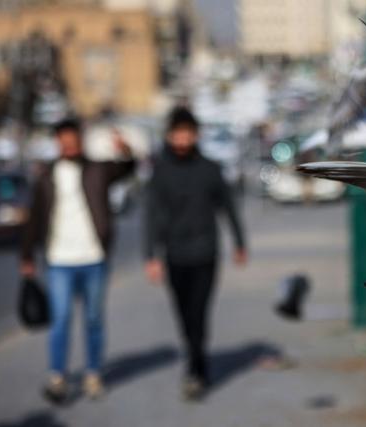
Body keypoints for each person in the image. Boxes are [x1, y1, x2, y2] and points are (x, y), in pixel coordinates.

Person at [20, 118, 135, 403]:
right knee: (60, 320)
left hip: (94, 257)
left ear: (80, 140)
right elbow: (34, 217)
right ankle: (57, 376)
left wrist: (126, 150)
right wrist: (26, 254)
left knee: (94, 319)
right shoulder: (46, 175)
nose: (68, 142)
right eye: (63, 138)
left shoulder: (99, 169)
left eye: (72, 137)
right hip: (59, 259)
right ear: (57, 141)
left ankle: (93, 373)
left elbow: (128, 168)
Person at [144, 107, 246, 400]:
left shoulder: (210, 169)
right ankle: (195, 356)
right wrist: (150, 256)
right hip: (174, 255)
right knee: (184, 314)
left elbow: (228, 207)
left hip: (205, 253)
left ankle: (196, 369)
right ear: (170, 135)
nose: (182, 139)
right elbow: (152, 215)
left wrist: (239, 243)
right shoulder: (160, 172)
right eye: (177, 133)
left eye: (187, 132)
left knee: (199, 312)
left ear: (196, 134)